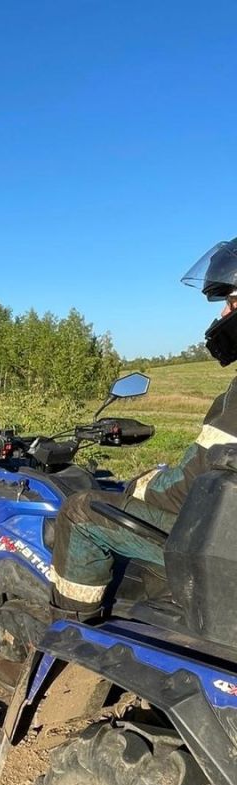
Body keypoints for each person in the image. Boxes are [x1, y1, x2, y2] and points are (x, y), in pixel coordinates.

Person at [50, 238, 237, 619]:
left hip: (205, 539)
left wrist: (144, 487)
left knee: (79, 511)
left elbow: (197, 489)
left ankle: (68, 631)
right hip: (216, 532)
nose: (221, 315)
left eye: (231, 302)